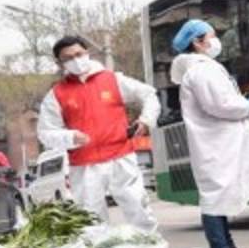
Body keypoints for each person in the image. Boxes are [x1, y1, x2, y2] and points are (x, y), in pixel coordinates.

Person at [38, 36, 159, 231]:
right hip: (84, 165)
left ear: (87, 53)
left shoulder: (113, 79)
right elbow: (45, 132)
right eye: (68, 58)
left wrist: (146, 120)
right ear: (59, 63)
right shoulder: (57, 94)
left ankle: (151, 246)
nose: (76, 60)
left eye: (78, 54)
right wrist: (70, 137)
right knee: (91, 220)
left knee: (139, 209)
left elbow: (149, 94)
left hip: (121, 156)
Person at [169, 19, 249, 248]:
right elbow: (219, 105)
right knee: (215, 198)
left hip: (218, 142)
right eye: (212, 36)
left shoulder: (202, 68)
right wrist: (247, 106)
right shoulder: (200, 71)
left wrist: (242, 104)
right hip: (215, 144)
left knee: (220, 197)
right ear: (198, 42)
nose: (216, 40)